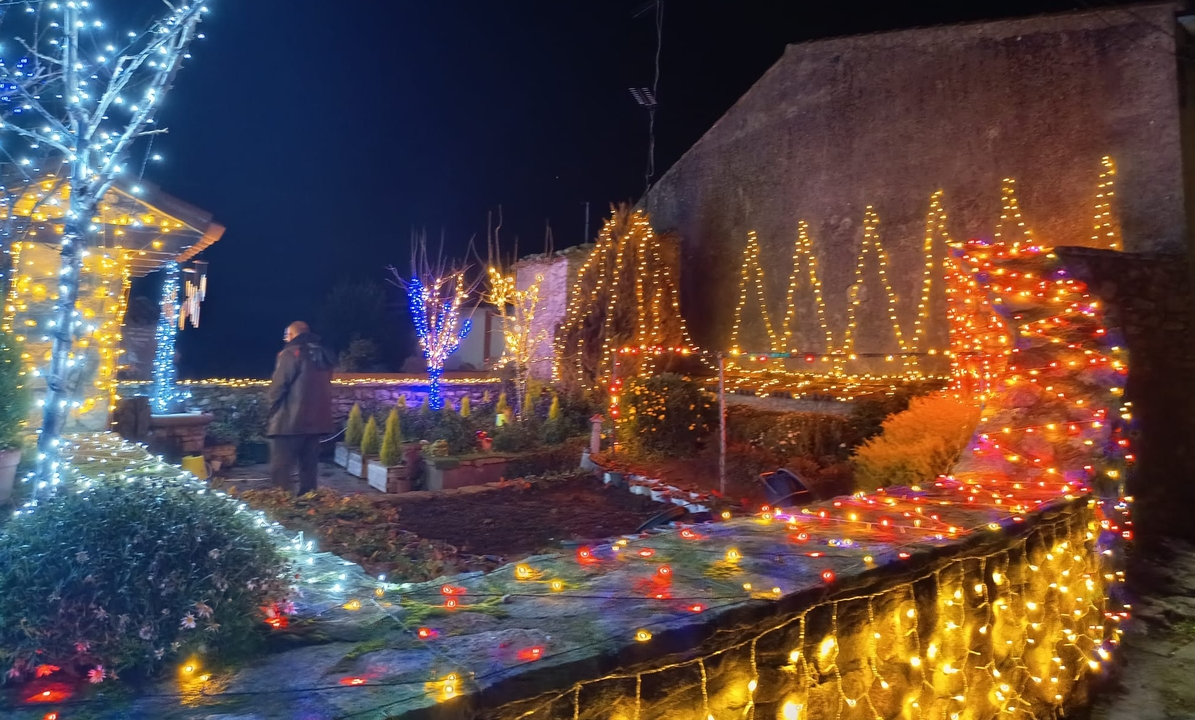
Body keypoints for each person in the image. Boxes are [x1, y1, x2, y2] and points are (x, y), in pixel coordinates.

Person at [266, 321, 335, 494]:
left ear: (291, 335)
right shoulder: (324, 354)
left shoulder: (291, 353)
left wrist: (272, 409)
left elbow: (279, 386)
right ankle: (308, 505)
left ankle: (282, 506)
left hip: (289, 422)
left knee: (281, 469)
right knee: (309, 469)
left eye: (287, 335)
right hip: (316, 422)